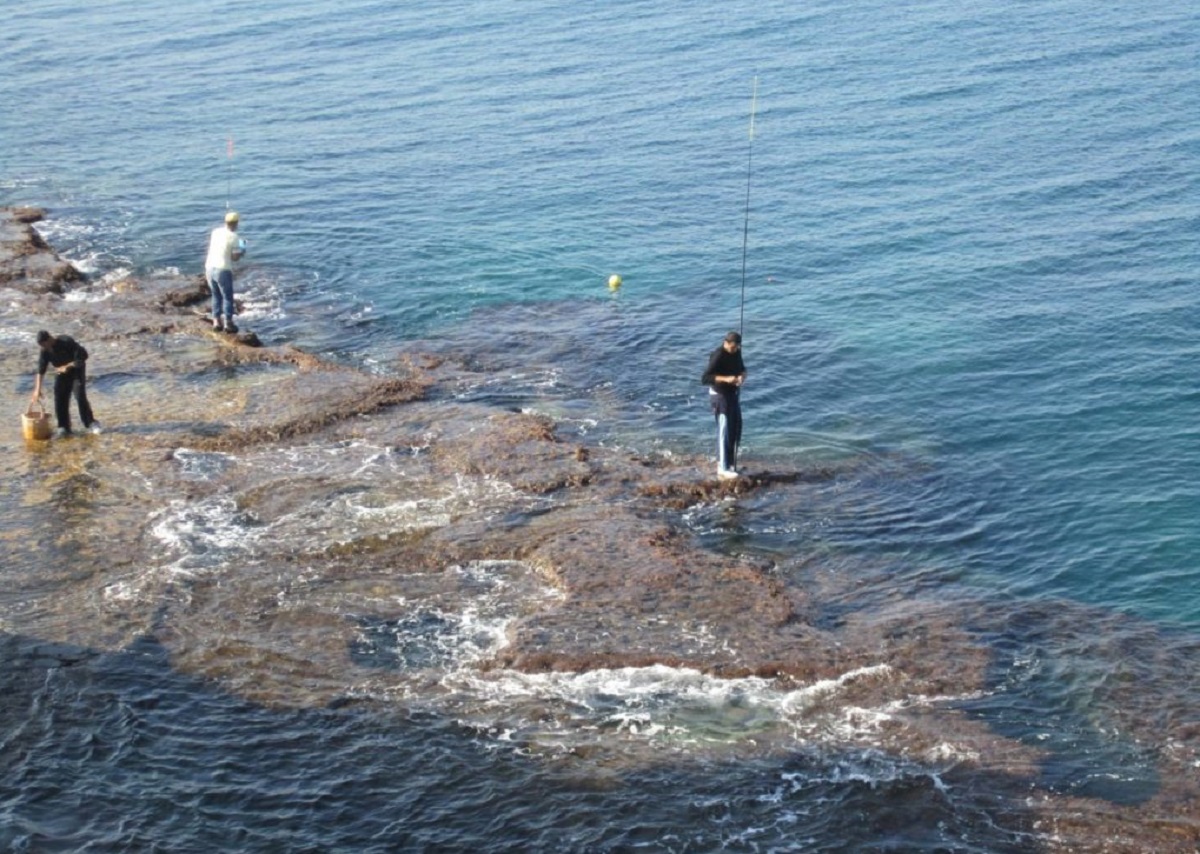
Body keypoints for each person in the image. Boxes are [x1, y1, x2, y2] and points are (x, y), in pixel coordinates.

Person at [32, 330, 100, 437]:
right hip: (62, 373)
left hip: (77, 371)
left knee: (80, 396)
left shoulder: (66, 341)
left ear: (49, 339)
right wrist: (37, 390)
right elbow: (41, 370)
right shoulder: (44, 351)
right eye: (41, 346)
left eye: (44, 344)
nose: (43, 347)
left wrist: (67, 366)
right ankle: (63, 427)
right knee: (59, 396)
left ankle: (91, 422)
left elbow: (83, 355)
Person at [701, 330, 747, 479]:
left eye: (737, 348)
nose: (734, 350)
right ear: (725, 343)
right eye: (732, 347)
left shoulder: (737, 352)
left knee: (736, 427)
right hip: (719, 395)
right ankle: (722, 466)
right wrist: (727, 379)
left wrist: (742, 376)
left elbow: (743, 369)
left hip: (733, 394)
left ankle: (731, 464)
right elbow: (705, 378)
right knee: (724, 429)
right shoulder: (718, 355)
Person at [205, 210, 245, 333]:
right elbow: (234, 258)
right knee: (227, 297)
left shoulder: (215, 232)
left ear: (225, 221)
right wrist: (242, 250)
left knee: (216, 295)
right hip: (223, 270)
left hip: (209, 268)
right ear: (236, 223)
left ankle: (216, 321)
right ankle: (228, 323)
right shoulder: (234, 237)